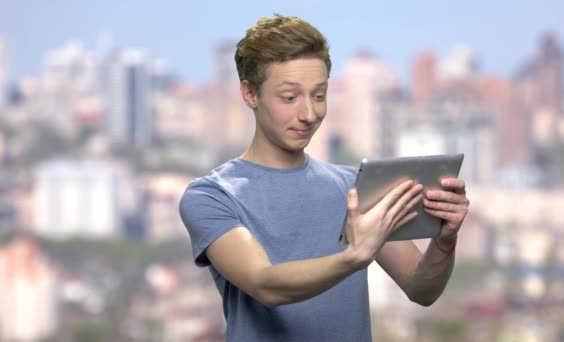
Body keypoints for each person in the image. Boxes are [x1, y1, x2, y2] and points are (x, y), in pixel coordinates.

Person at [179, 14, 470, 341]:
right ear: (250, 94)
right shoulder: (212, 196)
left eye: (319, 95)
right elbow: (265, 283)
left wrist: (444, 241)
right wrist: (353, 258)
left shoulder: (354, 188)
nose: (309, 113)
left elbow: (422, 289)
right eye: (289, 98)